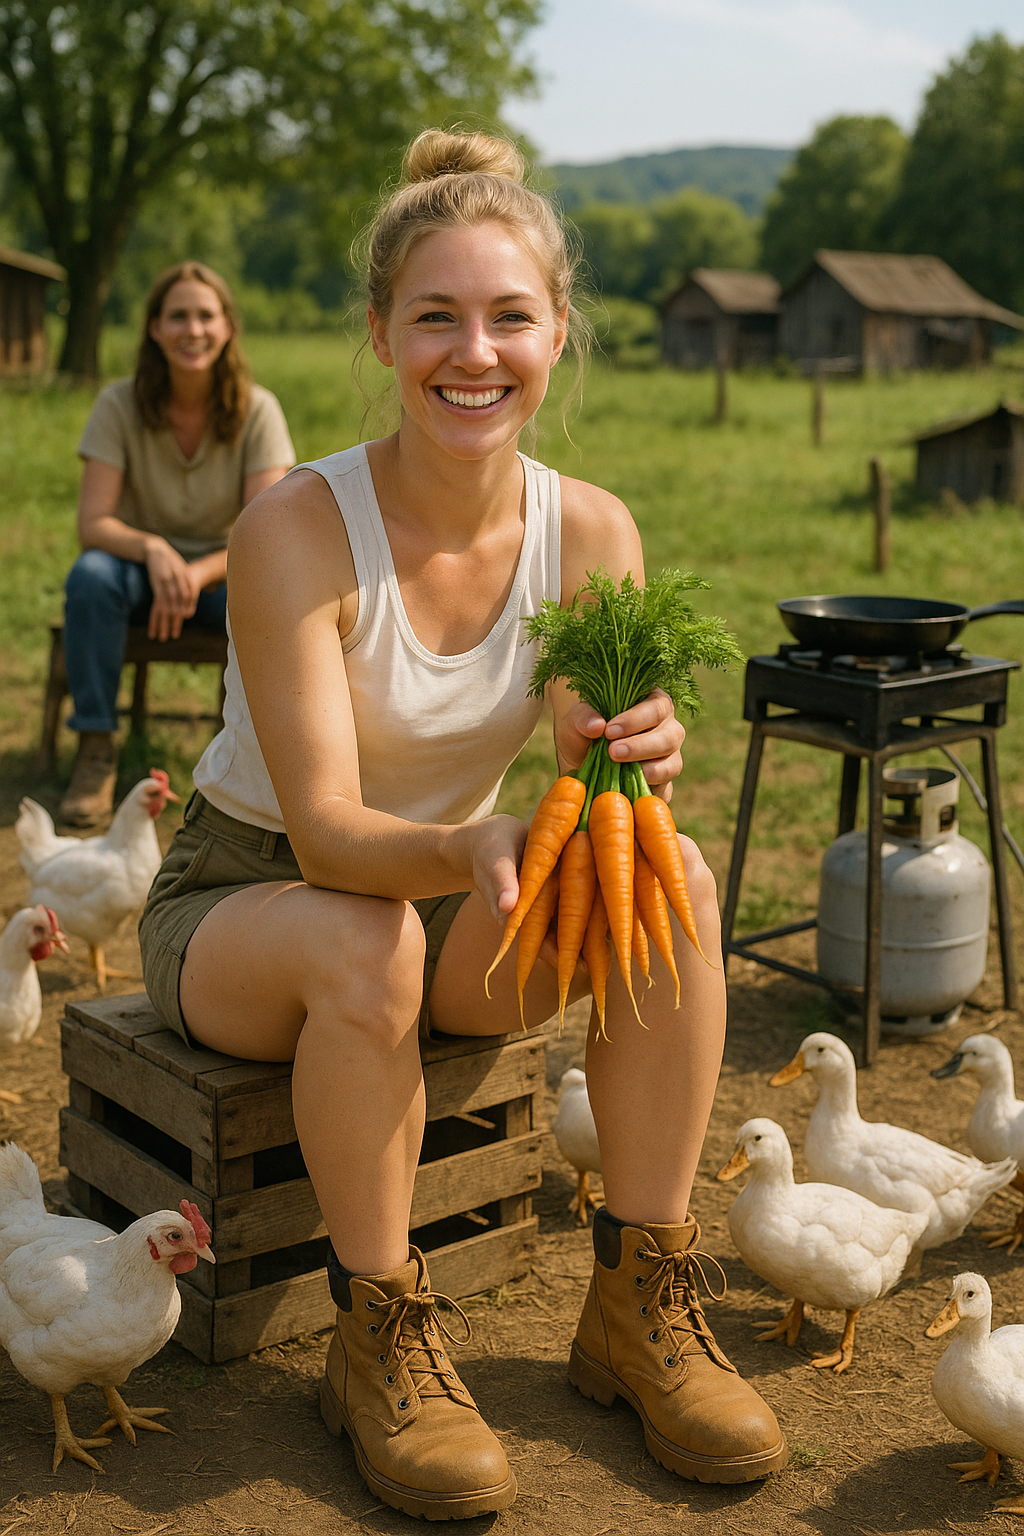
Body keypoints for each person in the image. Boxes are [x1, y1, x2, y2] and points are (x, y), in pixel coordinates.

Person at [137, 130, 788, 1520]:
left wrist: (631, 753)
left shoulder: (592, 531)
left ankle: (639, 1297)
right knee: (364, 944)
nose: (472, 352)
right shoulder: (297, 524)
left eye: (509, 317)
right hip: (253, 901)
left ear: (559, 334)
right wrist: (476, 851)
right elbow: (321, 834)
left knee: (668, 878)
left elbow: (582, 747)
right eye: (435, 316)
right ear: (379, 333)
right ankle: (379, 1331)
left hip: (447, 890)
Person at [60, 261, 295, 825]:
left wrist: (199, 572)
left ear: (229, 327)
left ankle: (258, 763)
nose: (193, 330)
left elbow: (266, 529)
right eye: (178, 316)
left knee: (278, 594)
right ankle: (96, 751)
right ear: (155, 329)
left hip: (224, 575)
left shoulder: (257, 408)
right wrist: (155, 551)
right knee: (90, 575)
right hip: (137, 572)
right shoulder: (118, 404)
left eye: (206, 316)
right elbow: (93, 522)